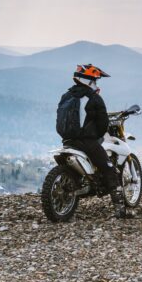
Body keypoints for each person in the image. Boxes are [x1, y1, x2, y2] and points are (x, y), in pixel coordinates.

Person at [56, 64, 126, 218]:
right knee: (109, 168)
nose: (96, 84)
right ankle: (120, 209)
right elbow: (102, 124)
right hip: (86, 142)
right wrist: (96, 135)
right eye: (95, 80)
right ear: (88, 80)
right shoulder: (94, 97)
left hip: (67, 141)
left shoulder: (66, 96)